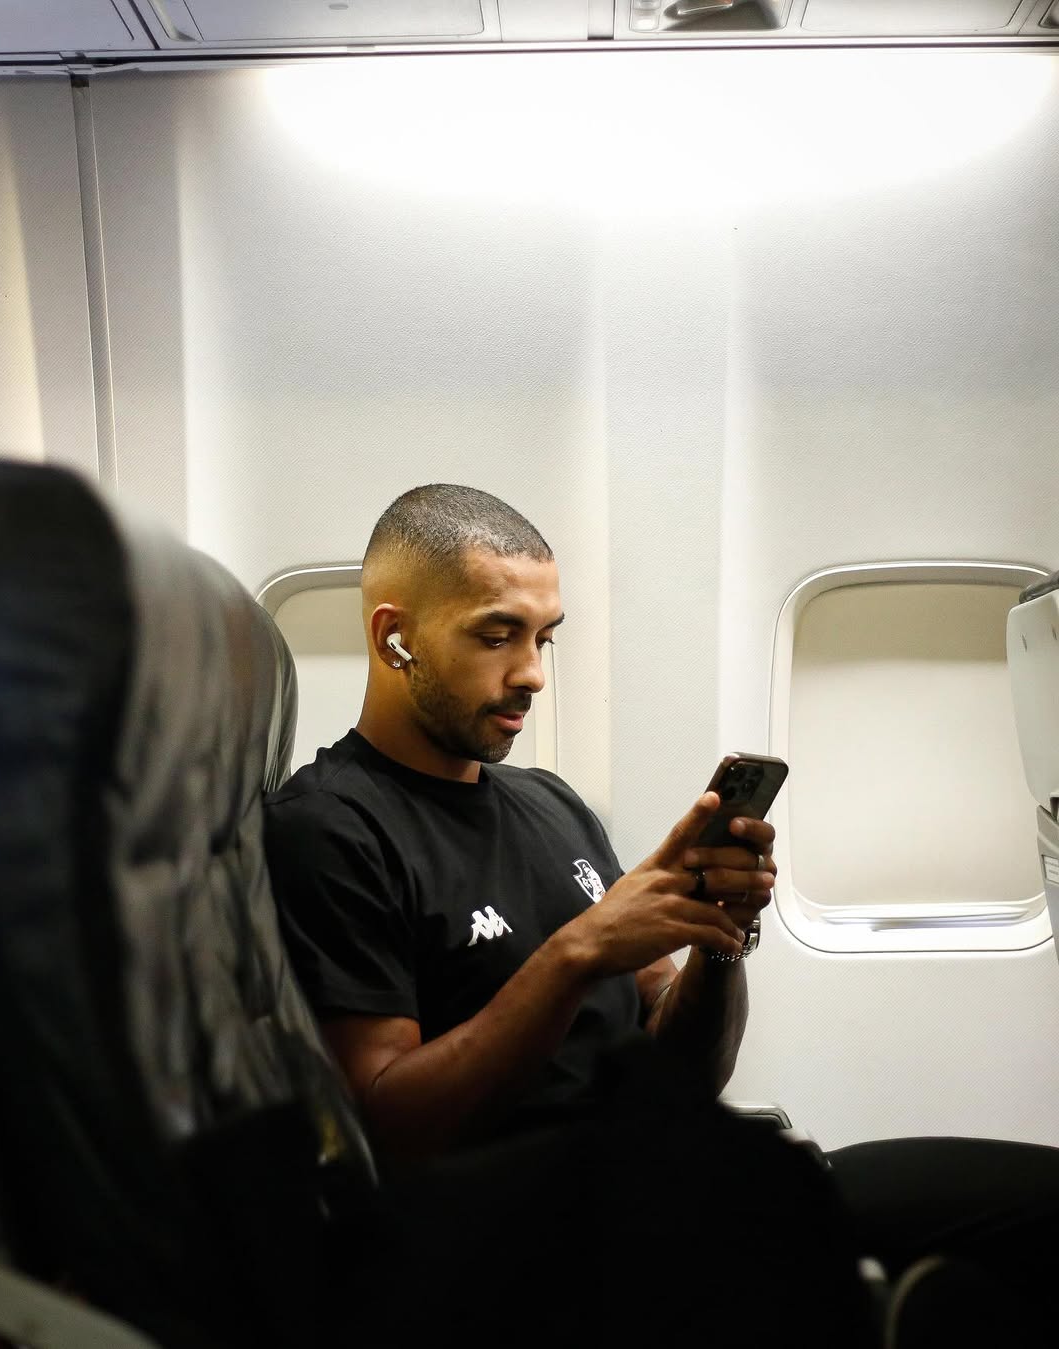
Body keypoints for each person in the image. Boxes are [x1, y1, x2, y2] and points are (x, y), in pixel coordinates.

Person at [264, 484, 1057, 1346]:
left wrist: (715, 937)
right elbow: (390, 1131)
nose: (531, 672)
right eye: (497, 635)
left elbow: (686, 1069)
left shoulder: (549, 803)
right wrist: (577, 953)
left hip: (665, 1184)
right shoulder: (331, 829)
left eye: (543, 638)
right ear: (395, 637)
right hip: (538, 1246)